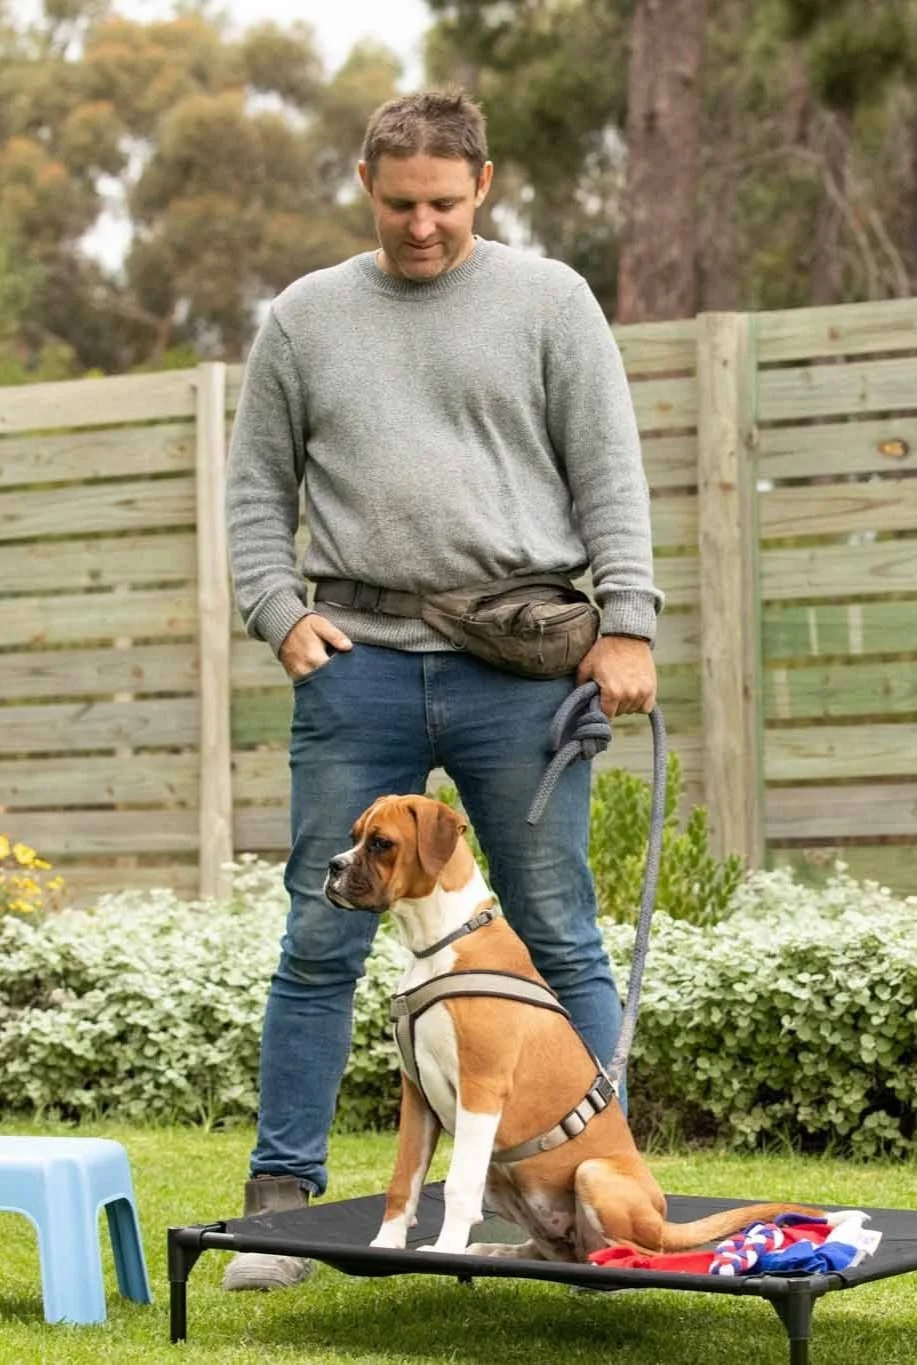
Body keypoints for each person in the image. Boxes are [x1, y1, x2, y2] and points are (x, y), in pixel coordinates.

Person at [222, 88, 661, 1290]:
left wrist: (627, 622)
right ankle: (280, 1201)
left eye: (447, 204)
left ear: (485, 185)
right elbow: (254, 489)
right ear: (367, 183)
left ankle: (603, 1188)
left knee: (556, 932)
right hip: (356, 665)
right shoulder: (304, 318)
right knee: (320, 936)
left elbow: (609, 471)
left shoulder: (550, 301)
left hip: (519, 667)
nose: (423, 226)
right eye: (402, 202)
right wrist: (277, 610)